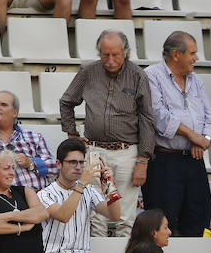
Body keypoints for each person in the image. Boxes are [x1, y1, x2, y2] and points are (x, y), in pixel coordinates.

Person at [58, 30, 155, 237]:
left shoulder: (138, 75)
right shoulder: (88, 72)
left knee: (126, 217)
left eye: (115, 55)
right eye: (105, 54)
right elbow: (66, 102)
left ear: (126, 52)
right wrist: (73, 135)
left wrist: (143, 160)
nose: (110, 60)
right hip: (94, 150)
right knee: (95, 216)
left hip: (127, 151)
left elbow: (147, 118)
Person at [142, 31, 211, 237]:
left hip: (195, 160)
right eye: (192, 53)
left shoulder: (196, 81)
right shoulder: (151, 76)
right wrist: (192, 135)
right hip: (165, 161)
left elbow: (210, 117)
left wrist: (204, 140)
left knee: (199, 216)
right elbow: (158, 115)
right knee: (163, 222)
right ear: (175, 55)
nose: (197, 58)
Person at [38, 138, 119, 253]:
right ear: (58, 164)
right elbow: (63, 215)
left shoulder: (88, 189)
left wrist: (109, 185)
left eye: (81, 163)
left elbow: (114, 215)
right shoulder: (45, 193)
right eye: (72, 162)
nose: (78, 167)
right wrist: (82, 184)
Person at [0, 91, 55, 192]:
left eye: (3, 105)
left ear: (15, 112)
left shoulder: (33, 137)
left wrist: (30, 163)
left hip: (37, 196)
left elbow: (54, 168)